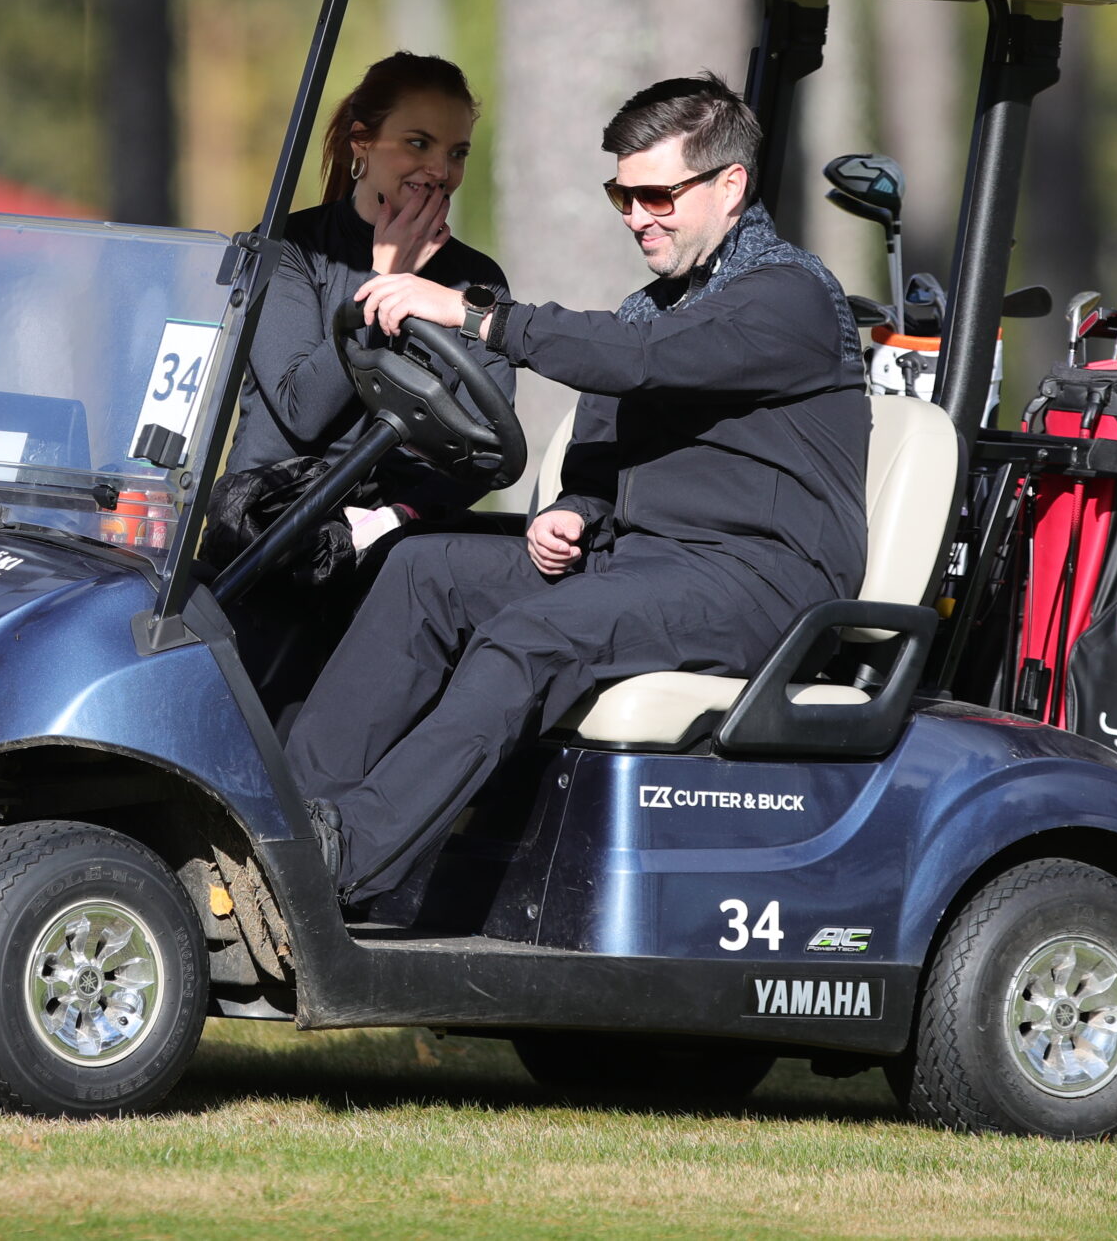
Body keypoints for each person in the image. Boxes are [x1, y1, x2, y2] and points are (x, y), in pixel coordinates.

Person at [284, 75, 869, 905]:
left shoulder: (787, 295)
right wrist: (574, 507)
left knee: (531, 634)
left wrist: (477, 315)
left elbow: (639, 363)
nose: (636, 217)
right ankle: (283, 821)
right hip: (644, 566)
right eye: (622, 196)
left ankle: (340, 861)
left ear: (730, 184)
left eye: (657, 195)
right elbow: (602, 440)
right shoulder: (653, 307)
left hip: (760, 583)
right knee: (423, 569)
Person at [215, 52, 513, 705]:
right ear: (362, 143)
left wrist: (398, 514)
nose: (441, 170)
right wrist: (385, 285)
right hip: (272, 538)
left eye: (457, 152)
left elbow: (487, 448)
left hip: (392, 550)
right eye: (418, 143)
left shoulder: (476, 280)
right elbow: (302, 410)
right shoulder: (289, 249)